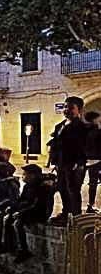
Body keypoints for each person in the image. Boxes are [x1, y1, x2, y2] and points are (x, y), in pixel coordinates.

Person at [0, 164, 53, 262]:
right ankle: (7, 245)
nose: (23, 176)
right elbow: (21, 201)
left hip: (39, 213)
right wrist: (12, 208)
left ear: (32, 175)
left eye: (25, 174)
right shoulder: (27, 186)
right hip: (27, 211)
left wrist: (21, 212)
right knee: (7, 218)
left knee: (18, 223)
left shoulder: (42, 187)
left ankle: (23, 250)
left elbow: (37, 206)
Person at [48, 96, 88, 225]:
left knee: (73, 190)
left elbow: (83, 146)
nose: (66, 110)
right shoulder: (59, 126)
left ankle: (76, 217)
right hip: (61, 163)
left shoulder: (81, 127)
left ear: (79, 110)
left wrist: (79, 163)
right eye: (65, 107)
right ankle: (66, 213)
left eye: (70, 108)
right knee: (61, 188)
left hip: (74, 165)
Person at [85, 111, 101, 214]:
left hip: (89, 160)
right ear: (94, 119)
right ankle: (91, 205)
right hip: (98, 159)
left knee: (92, 183)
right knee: (93, 183)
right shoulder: (97, 131)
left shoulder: (85, 130)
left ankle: (90, 205)